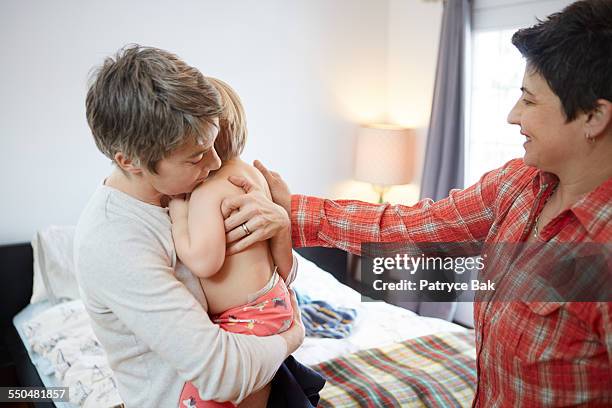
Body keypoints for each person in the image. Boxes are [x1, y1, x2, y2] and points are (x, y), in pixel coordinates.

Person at [221, 1, 612, 406]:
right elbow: (411, 226)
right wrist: (291, 211)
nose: (514, 116)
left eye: (530, 101)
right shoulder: (519, 183)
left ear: (593, 118)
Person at [74, 45, 305, 408]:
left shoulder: (192, 189)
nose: (215, 162)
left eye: (213, 144)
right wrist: (292, 337)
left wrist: (279, 225)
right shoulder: (112, 241)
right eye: (197, 155)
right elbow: (221, 376)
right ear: (130, 161)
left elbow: (274, 281)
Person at [168, 78, 320, 407]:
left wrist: (179, 215)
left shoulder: (207, 191)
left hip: (246, 320)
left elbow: (204, 261)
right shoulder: (254, 176)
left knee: (204, 397)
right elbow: (284, 266)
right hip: (276, 305)